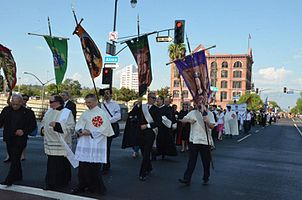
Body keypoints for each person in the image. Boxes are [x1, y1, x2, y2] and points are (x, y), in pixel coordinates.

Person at [71, 94, 114, 195]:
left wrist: (90, 132)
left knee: (93, 168)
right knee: (83, 167)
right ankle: (82, 185)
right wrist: (79, 131)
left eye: (89, 102)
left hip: (95, 143)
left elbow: (103, 129)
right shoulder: (85, 113)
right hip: (84, 143)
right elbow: (79, 125)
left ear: (95, 102)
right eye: (86, 102)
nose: (87, 104)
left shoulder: (101, 113)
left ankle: (97, 188)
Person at [0, 94, 36, 186]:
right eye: (13, 104)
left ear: (21, 103)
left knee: (16, 157)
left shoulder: (28, 113)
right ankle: (18, 175)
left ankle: (10, 179)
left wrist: (24, 131)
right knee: (13, 157)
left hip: (20, 139)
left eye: (17, 104)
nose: (14, 106)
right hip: (9, 137)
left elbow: (32, 126)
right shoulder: (6, 110)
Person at [42, 95, 75, 190]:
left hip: (61, 143)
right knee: (51, 164)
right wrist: (42, 129)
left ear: (58, 102)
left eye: (51, 102)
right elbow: (44, 122)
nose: (49, 103)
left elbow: (71, 127)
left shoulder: (67, 113)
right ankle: (50, 183)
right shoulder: (49, 111)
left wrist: (57, 126)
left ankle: (63, 181)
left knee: (62, 163)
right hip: (50, 142)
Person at [178, 102, 215, 186]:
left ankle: (206, 177)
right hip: (194, 140)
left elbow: (212, 126)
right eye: (198, 102)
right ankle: (187, 178)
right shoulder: (192, 113)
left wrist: (207, 122)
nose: (199, 104)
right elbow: (182, 120)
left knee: (206, 162)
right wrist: (188, 120)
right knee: (191, 161)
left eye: (202, 102)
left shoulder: (210, 114)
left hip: (205, 141)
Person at [137, 92, 161, 181]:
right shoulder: (142, 107)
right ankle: (149, 167)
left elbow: (158, 122)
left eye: (155, 98)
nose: (154, 100)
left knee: (147, 153)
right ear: (148, 98)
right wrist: (137, 104)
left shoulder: (156, 109)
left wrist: (147, 126)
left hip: (150, 133)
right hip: (141, 133)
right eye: (153, 98)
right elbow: (134, 114)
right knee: (143, 152)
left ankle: (142, 173)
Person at [99, 88, 121, 174]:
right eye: (104, 93)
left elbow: (118, 116)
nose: (106, 95)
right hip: (101, 127)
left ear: (111, 94)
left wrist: (109, 120)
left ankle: (106, 165)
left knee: (106, 147)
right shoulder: (100, 104)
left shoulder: (115, 104)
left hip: (109, 127)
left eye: (107, 93)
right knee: (100, 147)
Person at [20, 94, 37, 161]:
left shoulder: (27, 109)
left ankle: (23, 155)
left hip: (24, 127)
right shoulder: (16, 106)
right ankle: (9, 155)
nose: (25, 100)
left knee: (24, 141)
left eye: (26, 99)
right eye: (23, 99)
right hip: (15, 126)